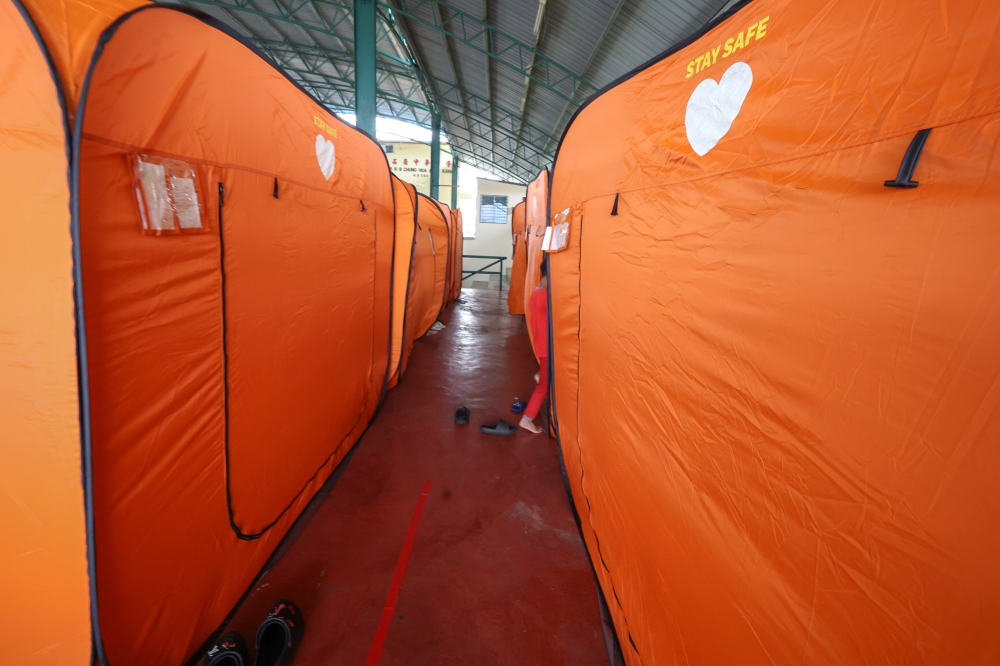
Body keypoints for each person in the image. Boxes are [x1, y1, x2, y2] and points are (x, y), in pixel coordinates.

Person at [520, 258, 549, 434]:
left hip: (540, 344)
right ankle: (527, 419)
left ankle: (541, 375)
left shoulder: (536, 293)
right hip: (546, 347)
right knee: (543, 387)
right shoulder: (545, 296)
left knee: (545, 378)